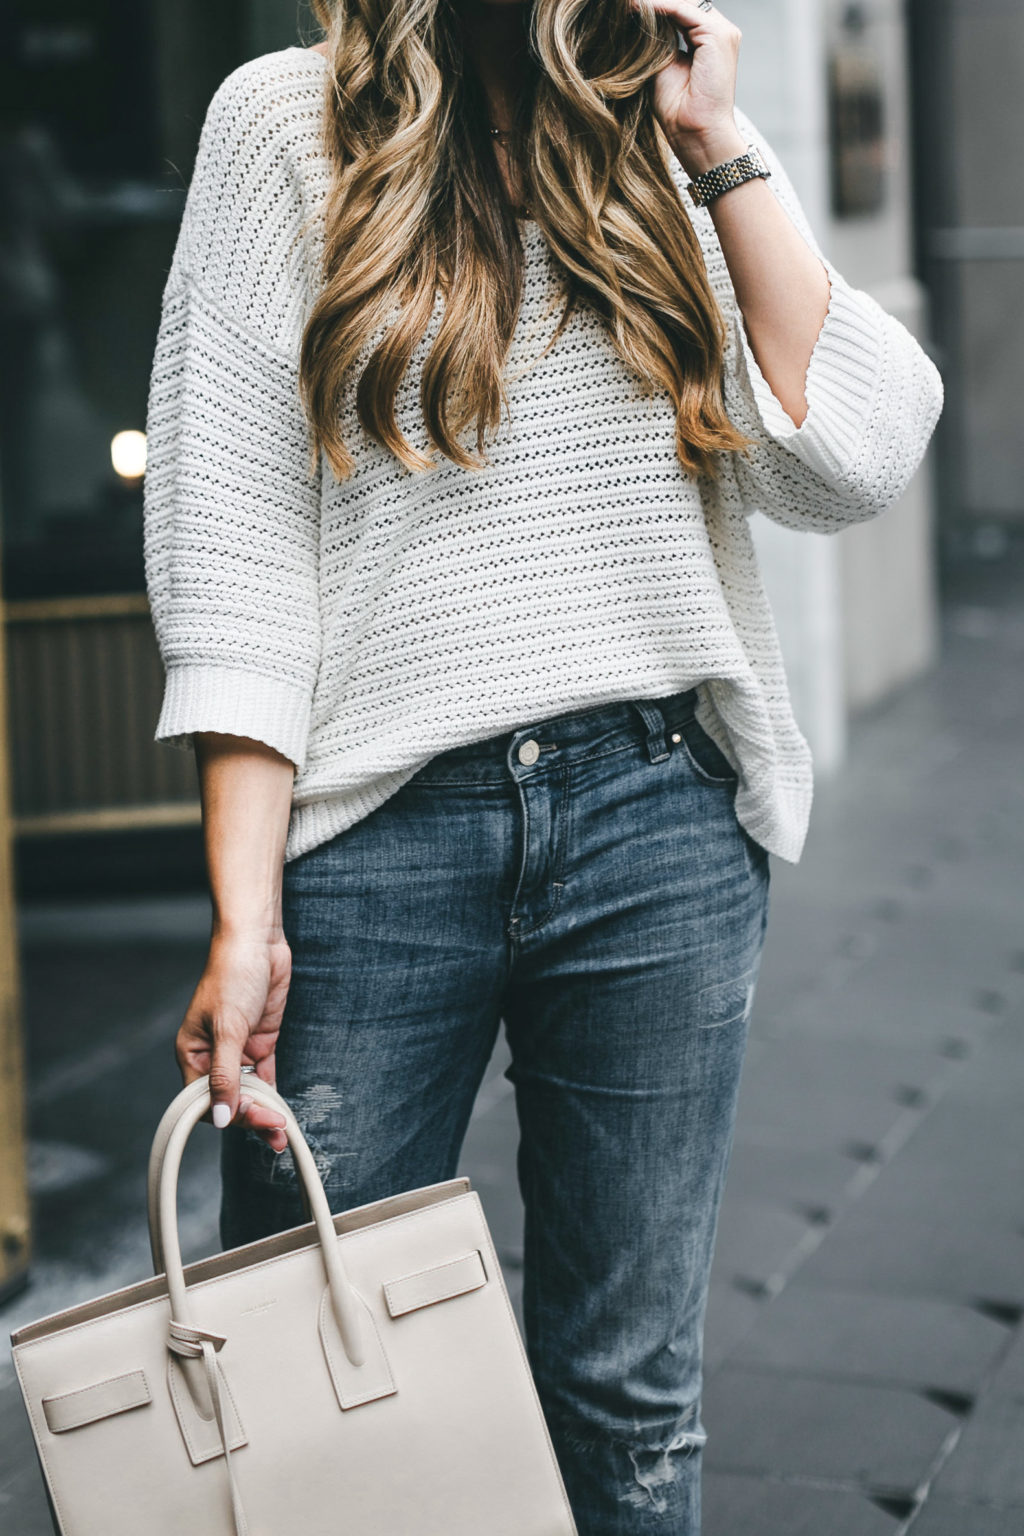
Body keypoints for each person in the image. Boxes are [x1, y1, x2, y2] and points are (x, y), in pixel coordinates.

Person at [141, 0, 943, 1530]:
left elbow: (855, 451)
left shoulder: (657, 135)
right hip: (376, 842)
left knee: (628, 1392)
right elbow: (237, 558)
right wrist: (245, 914)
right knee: (318, 1391)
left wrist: (718, 138)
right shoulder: (279, 127)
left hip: (659, 820)